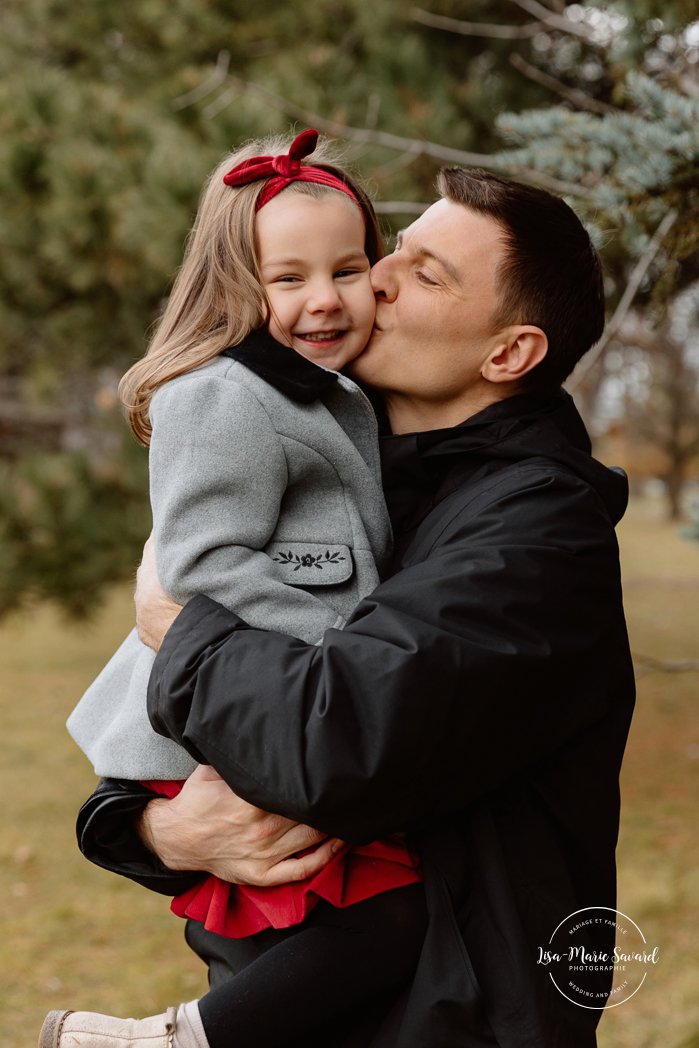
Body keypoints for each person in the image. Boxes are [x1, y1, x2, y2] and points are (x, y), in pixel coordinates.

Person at [73, 168, 635, 1048]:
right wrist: (154, 829)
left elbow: (332, 742)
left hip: (444, 1019)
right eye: (395, 250)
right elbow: (212, 747)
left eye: (426, 273)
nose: (374, 279)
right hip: (288, 1001)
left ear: (507, 354)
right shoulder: (338, 461)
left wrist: (179, 628)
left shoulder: (534, 540)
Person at [44, 130, 428, 1048]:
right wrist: (341, 664)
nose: (324, 300)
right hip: (240, 706)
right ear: (234, 285)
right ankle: (162, 1041)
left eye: (348, 267)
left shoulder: (324, 390)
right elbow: (205, 566)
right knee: (375, 918)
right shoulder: (224, 395)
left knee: (382, 921)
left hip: (275, 704)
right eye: (287, 278)